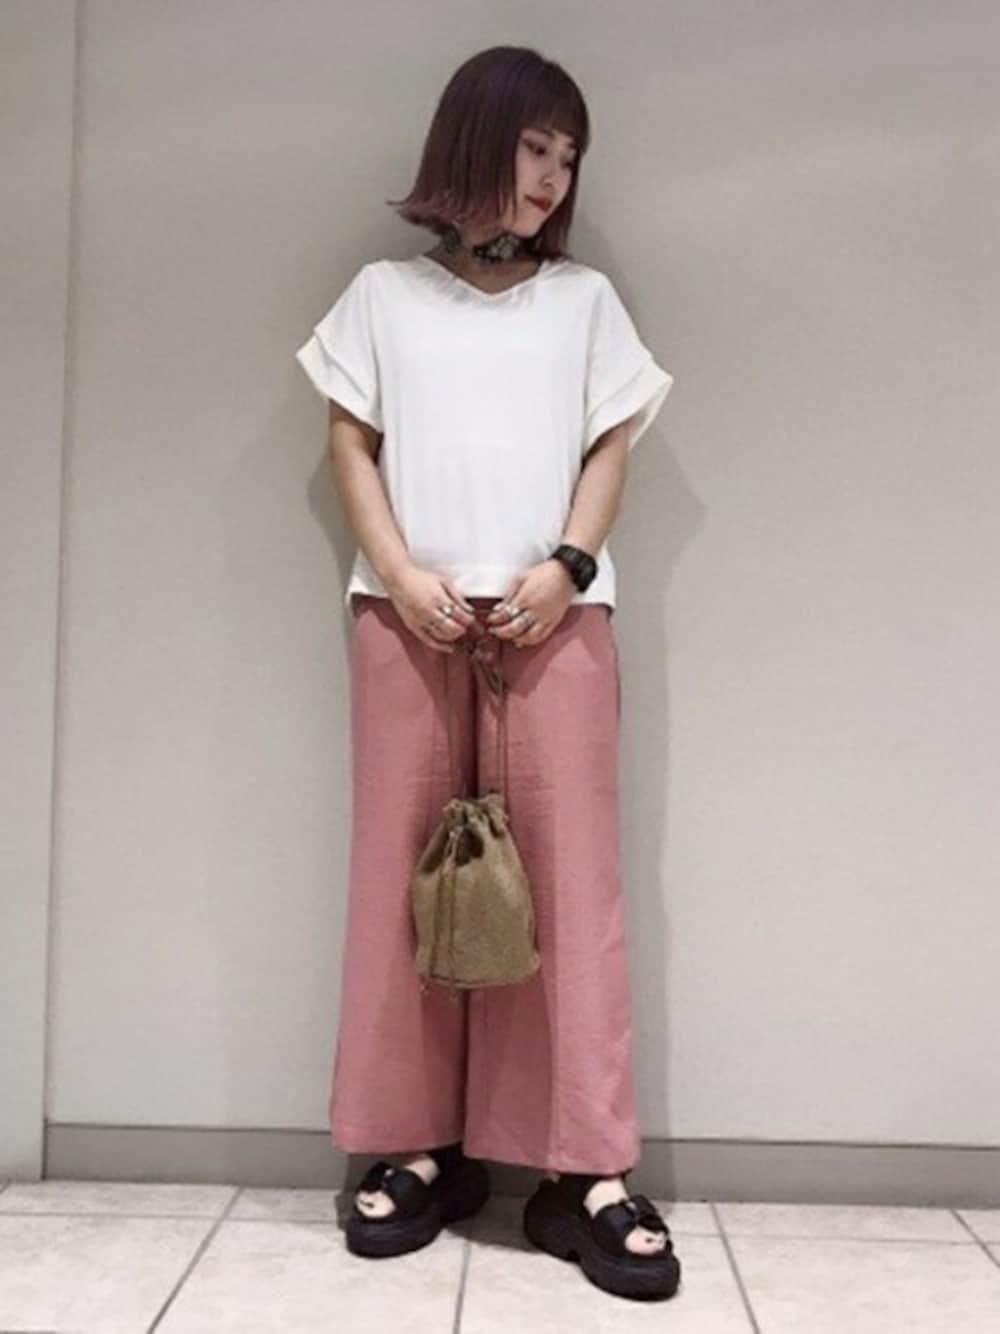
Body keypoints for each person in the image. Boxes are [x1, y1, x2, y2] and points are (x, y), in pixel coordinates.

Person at [295, 44, 681, 1302]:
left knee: (568, 887)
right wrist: (400, 571)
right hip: (403, 616)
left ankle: (583, 1169)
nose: (553, 175)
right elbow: (351, 443)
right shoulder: (380, 297)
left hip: (554, 622)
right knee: (398, 881)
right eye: (533, 146)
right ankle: (413, 1145)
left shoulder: (584, 302)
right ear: (475, 139)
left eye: (568, 156)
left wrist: (566, 566)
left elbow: (610, 447)